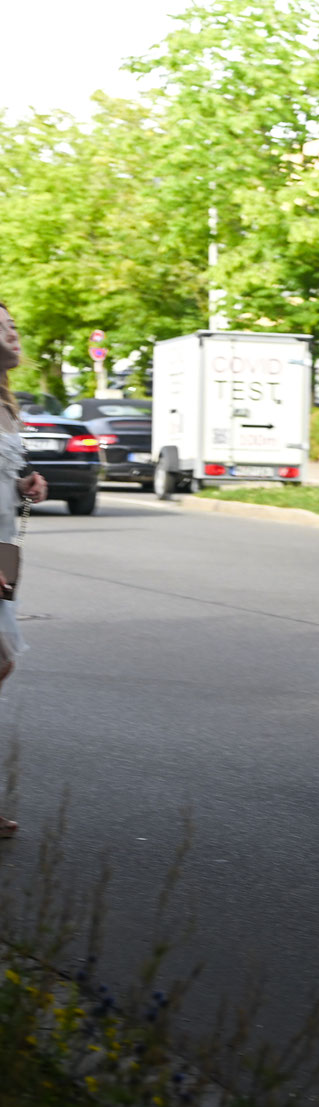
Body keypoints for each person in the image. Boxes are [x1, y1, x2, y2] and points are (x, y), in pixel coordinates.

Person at [0, 301, 46, 839]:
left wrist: (24, 484)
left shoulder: (6, 404)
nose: (12, 334)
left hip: (5, 547)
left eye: (13, 325)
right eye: (1, 328)